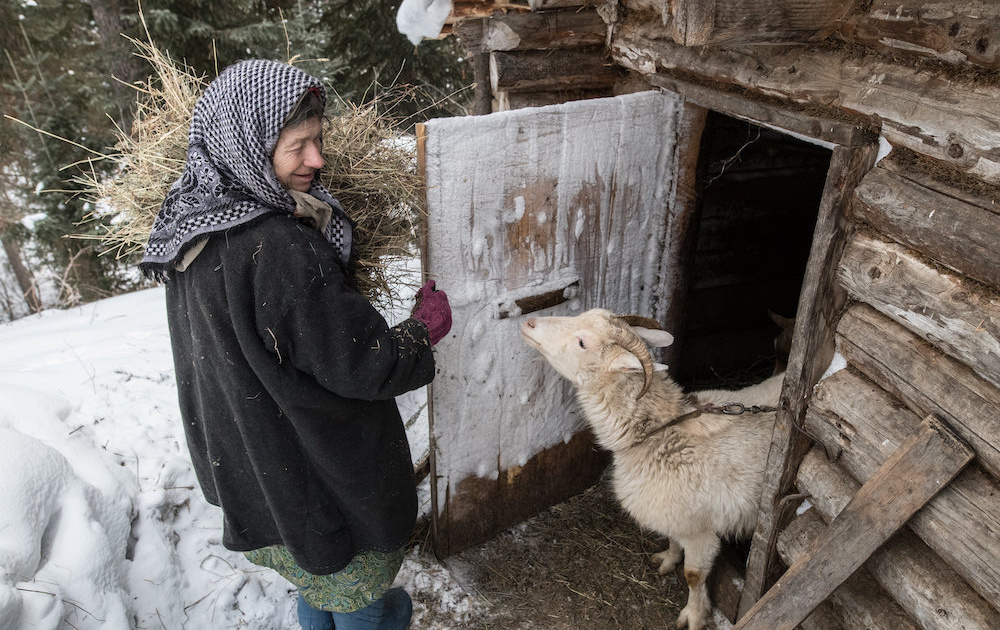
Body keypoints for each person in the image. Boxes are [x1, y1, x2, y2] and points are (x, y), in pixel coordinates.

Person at [140, 59, 451, 630]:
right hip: (317, 473)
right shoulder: (278, 247)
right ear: (248, 147)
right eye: (298, 147)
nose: (318, 160)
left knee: (316, 578)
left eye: (319, 140)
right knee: (357, 595)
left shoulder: (185, 228)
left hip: (254, 469)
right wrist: (422, 329)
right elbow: (363, 363)